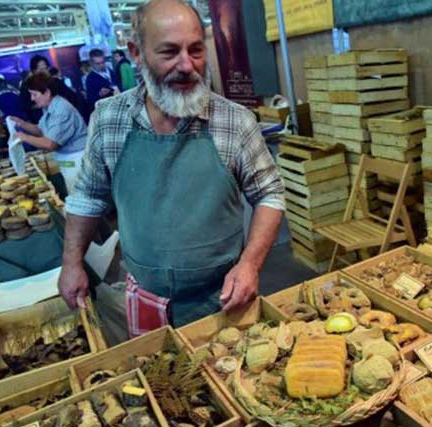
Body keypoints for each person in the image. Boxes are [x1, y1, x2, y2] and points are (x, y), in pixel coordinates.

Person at [59, 0, 285, 332]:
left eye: (196, 50)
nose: (186, 65)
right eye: (169, 52)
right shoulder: (109, 120)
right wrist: (71, 262)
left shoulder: (234, 121)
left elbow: (269, 195)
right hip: (146, 297)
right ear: (136, 52)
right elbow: (89, 197)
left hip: (225, 295)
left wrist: (250, 265)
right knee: (163, 380)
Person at [10, 73, 87, 192]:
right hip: (66, 160)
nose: (32, 99)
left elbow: (50, 144)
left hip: (76, 160)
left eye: (34, 94)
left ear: (46, 92)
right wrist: (22, 124)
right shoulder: (48, 107)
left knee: (81, 199)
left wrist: (24, 137)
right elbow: (41, 130)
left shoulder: (61, 109)